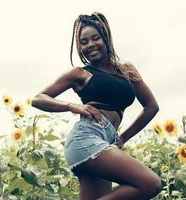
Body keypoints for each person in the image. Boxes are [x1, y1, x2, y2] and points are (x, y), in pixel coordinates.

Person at [32, 12, 162, 200]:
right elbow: (38, 98)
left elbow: (151, 107)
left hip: (106, 142)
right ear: (79, 47)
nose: (90, 45)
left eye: (95, 38)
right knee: (150, 183)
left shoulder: (127, 70)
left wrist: (122, 138)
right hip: (85, 139)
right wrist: (72, 106)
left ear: (106, 39)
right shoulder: (80, 74)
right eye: (84, 42)